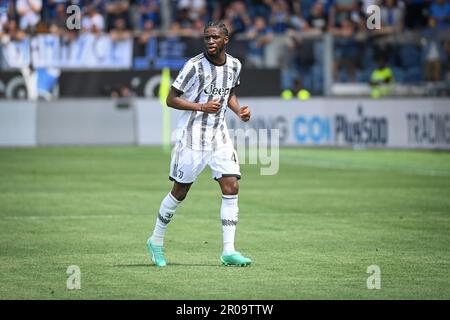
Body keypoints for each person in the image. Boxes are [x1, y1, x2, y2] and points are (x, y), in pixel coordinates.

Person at [146, 21, 252, 267]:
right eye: (207, 38)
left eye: (215, 37)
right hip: (192, 136)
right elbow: (171, 99)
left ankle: (229, 250)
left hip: (220, 136)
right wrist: (201, 106)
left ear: (226, 40)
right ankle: (156, 240)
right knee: (180, 192)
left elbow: (230, 94)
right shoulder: (194, 66)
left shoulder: (235, 65)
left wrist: (239, 111)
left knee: (231, 185)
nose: (210, 41)